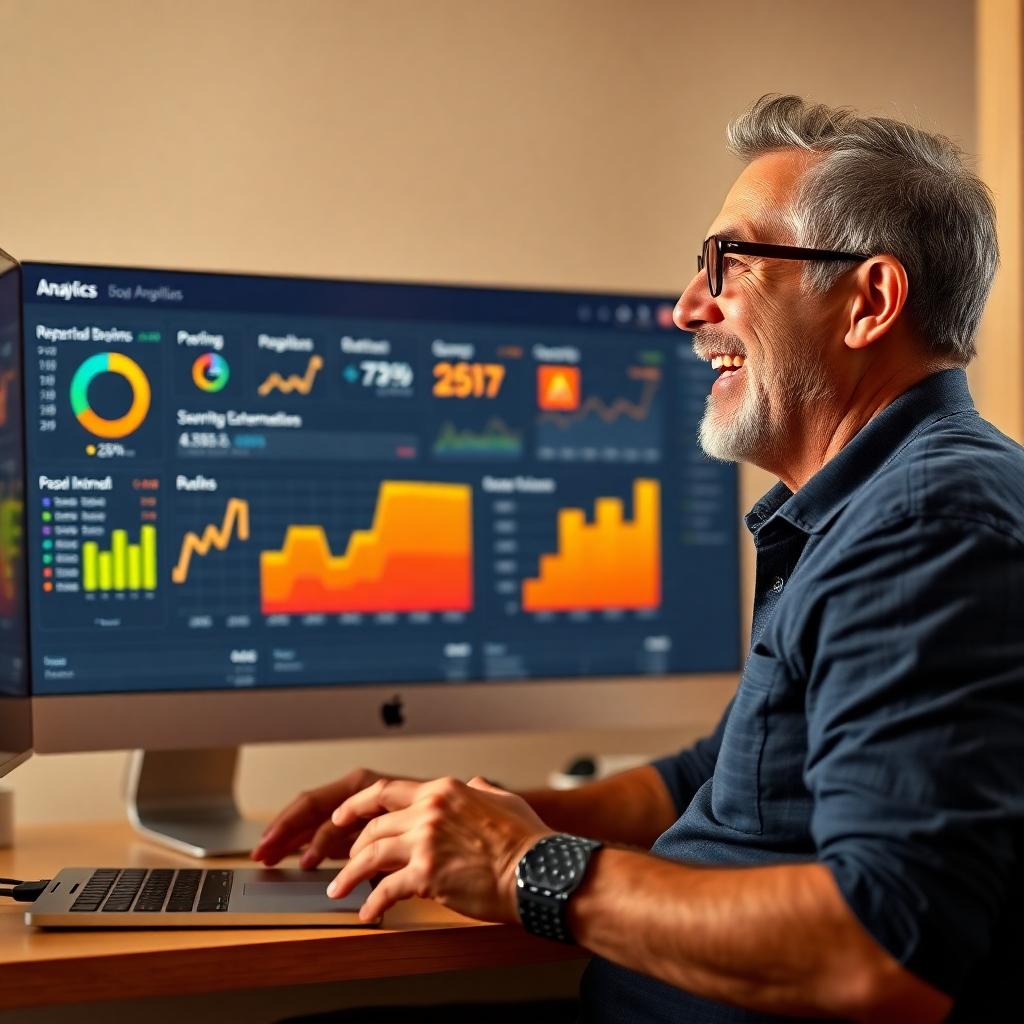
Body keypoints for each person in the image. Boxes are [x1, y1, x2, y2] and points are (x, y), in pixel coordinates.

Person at [254, 95, 1024, 1023]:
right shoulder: (871, 504)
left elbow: (883, 948)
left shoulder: (924, 523)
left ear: (869, 302)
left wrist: (521, 866)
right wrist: (457, 816)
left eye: (728, 263)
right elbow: (726, 776)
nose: (687, 307)